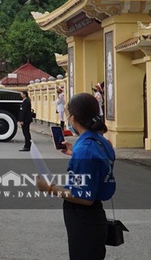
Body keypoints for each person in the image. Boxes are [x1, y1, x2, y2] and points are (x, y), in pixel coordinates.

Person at [36, 92, 115, 260]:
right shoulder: (99, 141)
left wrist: (49, 188)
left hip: (84, 220)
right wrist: (75, 153)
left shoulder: (85, 149)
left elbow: (84, 197)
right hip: (93, 218)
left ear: (73, 118)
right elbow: (96, 166)